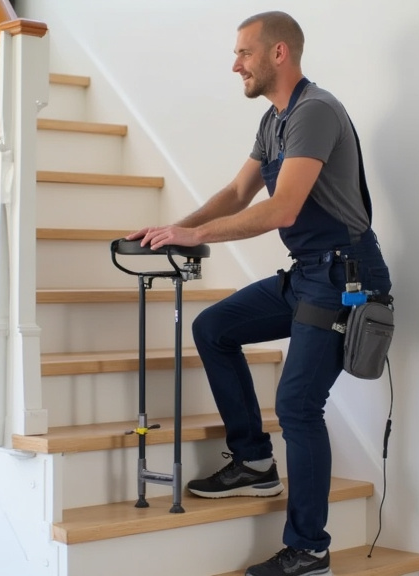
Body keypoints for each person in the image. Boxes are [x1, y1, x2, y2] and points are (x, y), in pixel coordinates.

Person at [127, 11, 391, 576]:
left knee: (297, 406)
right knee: (214, 328)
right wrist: (172, 230)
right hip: (309, 272)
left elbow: (283, 208)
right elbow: (237, 191)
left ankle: (309, 550)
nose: (235, 64)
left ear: (279, 53)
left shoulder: (315, 111)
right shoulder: (274, 121)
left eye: (244, 53)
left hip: (346, 277)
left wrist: (196, 235)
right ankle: (253, 462)